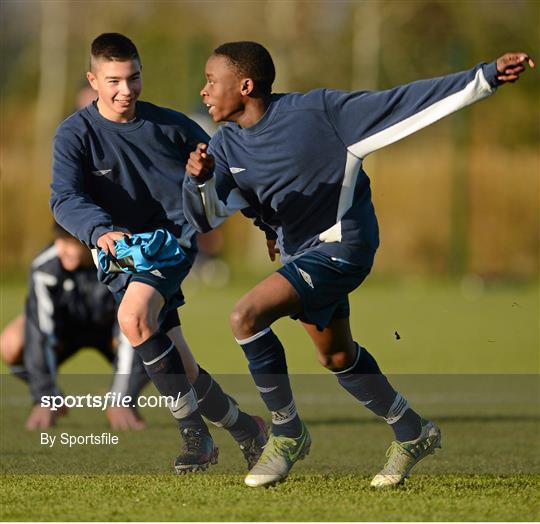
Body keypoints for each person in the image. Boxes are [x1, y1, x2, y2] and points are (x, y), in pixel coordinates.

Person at [182, 41, 534, 487]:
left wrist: (483, 78)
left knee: (245, 316)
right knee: (336, 355)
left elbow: (404, 103)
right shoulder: (225, 145)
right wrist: (199, 184)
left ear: (246, 85)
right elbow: (212, 216)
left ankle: (287, 433)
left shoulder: (321, 113)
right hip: (301, 253)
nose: (204, 90)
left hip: (343, 248)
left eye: (213, 81)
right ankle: (412, 431)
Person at [50, 33, 267, 473]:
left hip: (171, 239)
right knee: (177, 360)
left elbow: (229, 174)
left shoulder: (170, 126)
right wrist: (99, 230)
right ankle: (247, 429)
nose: (125, 90)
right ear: (94, 80)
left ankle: (196, 439)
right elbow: (64, 198)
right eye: (113, 81)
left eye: (133, 78)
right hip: (117, 252)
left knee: (133, 319)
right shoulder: (74, 134)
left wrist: (265, 220)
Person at [0, 223, 149, 431]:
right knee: (10, 342)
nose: (62, 250)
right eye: (58, 242)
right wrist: (45, 396)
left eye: (70, 244)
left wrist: (122, 398)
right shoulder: (46, 266)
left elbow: (131, 324)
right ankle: (55, 397)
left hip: (110, 331)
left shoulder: (119, 260)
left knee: (157, 340)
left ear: (88, 243)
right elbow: (41, 332)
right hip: (65, 333)